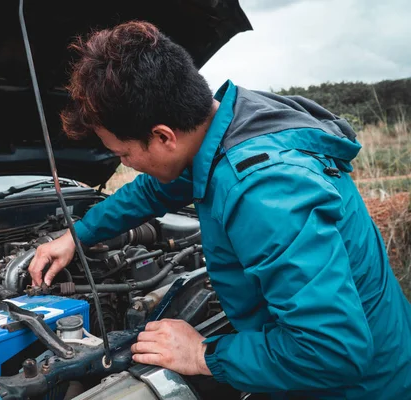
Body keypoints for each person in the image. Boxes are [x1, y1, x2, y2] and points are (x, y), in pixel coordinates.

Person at [28, 20, 411, 399]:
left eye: (124, 154)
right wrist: (77, 235)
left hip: (364, 388)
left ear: (163, 137)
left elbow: (333, 350)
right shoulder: (228, 124)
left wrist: (203, 354)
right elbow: (150, 191)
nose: (126, 164)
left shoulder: (264, 192)